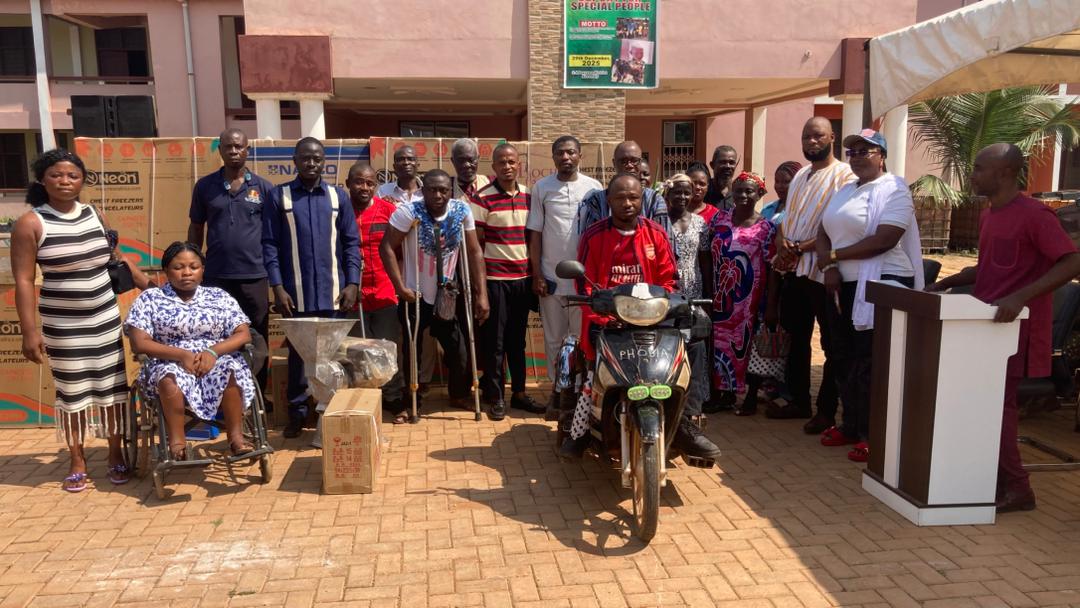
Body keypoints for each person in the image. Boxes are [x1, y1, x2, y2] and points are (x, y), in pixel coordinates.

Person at [927, 143, 1080, 513]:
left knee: (999, 408)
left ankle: (1018, 487)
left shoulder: (1035, 215)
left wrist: (1020, 297)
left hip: (1014, 331)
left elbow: (1072, 261)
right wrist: (948, 281)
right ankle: (990, 477)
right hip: (983, 327)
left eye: (980, 168)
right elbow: (991, 267)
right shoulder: (988, 214)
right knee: (983, 406)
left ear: (1006, 173)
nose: (972, 176)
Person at [11, 149, 155, 491]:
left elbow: (116, 257)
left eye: (72, 175)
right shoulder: (31, 223)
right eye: (56, 175)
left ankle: (115, 453)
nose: (65, 181)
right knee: (73, 394)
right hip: (63, 326)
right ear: (42, 180)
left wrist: (150, 287)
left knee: (113, 389)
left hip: (105, 319)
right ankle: (77, 459)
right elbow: (24, 280)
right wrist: (29, 332)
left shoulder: (95, 214)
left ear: (82, 181)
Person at [561, 174, 721, 461]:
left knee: (694, 344)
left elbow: (669, 280)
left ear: (641, 199)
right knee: (590, 367)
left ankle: (685, 422)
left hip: (652, 319)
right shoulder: (594, 236)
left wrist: (668, 305)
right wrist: (601, 311)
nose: (627, 203)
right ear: (609, 200)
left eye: (633, 197)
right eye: (620, 197)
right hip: (608, 321)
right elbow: (585, 286)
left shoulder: (655, 233)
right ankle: (581, 428)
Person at [815, 130, 923, 462]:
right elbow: (822, 230)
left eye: (866, 151)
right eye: (853, 152)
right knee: (842, 356)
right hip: (842, 286)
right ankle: (851, 425)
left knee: (870, 362)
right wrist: (829, 265)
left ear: (882, 156)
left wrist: (834, 257)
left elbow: (884, 240)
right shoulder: (846, 190)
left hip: (881, 285)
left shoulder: (895, 190)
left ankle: (872, 434)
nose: (858, 157)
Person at [263, 137, 361, 439]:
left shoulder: (337, 197)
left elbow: (351, 243)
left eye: (317, 158)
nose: (311, 163)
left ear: (324, 162)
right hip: (295, 294)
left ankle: (330, 412)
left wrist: (352, 282)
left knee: (333, 356)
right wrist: (277, 286)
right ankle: (297, 413)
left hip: (334, 292)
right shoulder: (279, 196)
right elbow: (270, 245)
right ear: (295, 160)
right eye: (305, 158)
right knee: (298, 355)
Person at [125, 242, 257, 460]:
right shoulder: (150, 299)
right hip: (168, 361)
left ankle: (236, 438)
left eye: (193, 267)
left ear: (202, 270)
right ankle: (177, 444)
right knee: (168, 377)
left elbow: (243, 334)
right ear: (166, 271)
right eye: (178, 267)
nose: (187, 272)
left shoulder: (219, 296)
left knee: (230, 369)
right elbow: (139, 343)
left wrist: (213, 352)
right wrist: (181, 355)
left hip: (215, 358)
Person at [380, 170, 490, 421]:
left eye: (443, 190)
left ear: (450, 191)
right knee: (412, 353)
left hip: (446, 297)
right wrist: (400, 288)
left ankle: (458, 394)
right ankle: (412, 402)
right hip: (415, 295)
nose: (438, 195)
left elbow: (474, 252)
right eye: (432, 190)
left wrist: (481, 293)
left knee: (460, 352)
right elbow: (386, 247)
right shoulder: (409, 211)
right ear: (423, 190)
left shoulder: (461, 210)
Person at [768, 118, 855, 432]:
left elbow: (835, 223)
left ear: (832, 137)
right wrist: (783, 243)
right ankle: (798, 400)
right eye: (806, 136)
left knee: (832, 343)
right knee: (796, 338)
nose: (811, 141)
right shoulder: (801, 175)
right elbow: (787, 218)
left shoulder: (845, 175)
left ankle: (827, 410)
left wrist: (801, 247)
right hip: (793, 269)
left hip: (822, 270)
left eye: (818, 136)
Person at [187, 128, 274, 391]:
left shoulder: (263, 188)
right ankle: (220, 393)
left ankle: (257, 394)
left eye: (239, 146)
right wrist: (194, 262)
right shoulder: (205, 187)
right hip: (217, 276)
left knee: (257, 336)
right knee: (216, 334)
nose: (234, 151)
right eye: (228, 147)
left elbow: (272, 234)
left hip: (254, 276)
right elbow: (196, 226)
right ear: (221, 151)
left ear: (248, 150)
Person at [527, 135, 602, 418]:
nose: (566, 157)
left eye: (571, 152)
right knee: (554, 340)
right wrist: (537, 274)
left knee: (582, 340)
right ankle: (557, 393)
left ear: (580, 155)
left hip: (584, 281)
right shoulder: (542, 188)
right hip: (551, 278)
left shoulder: (594, 188)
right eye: (560, 153)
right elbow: (535, 233)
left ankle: (579, 393)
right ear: (553, 157)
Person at [470, 144, 542, 420]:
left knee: (517, 342)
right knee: (495, 343)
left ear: (518, 165)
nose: (507, 166)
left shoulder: (529, 197)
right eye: (502, 162)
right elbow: (476, 247)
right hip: (495, 281)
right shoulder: (482, 199)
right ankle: (496, 397)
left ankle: (520, 393)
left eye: (511, 162)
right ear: (494, 167)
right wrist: (481, 290)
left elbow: (533, 239)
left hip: (522, 281)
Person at [700, 172, 777, 411]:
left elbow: (773, 268)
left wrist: (771, 305)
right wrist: (708, 289)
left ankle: (750, 395)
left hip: (749, 301)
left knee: (748, 346)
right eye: (738, 190)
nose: (743, 195)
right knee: (719, 343)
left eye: (749, 191)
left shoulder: (766, 228)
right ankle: (723, 394)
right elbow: (706, 254)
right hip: (721, 296)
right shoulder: (719, 219)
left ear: (760, 194)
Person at [344, 162, 406, 419]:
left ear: (376, 186)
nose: (364, 187)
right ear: (348, 184)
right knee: (357, 351)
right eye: (359, 182)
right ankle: (364, 399)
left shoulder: (388, 211)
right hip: (351, 293)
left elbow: (400, 251)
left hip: (383, 291)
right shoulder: (340, 211)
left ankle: (393, 398)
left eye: (370, 183)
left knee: (387, 348)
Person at [577, 141, 670, 239]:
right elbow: (591, 239)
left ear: (640, 162)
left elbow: (665, 238)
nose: (629, 165)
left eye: (634, 160)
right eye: (623, 161)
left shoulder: (654, 200)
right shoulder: (597, 201)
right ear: (614, 163)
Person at [704, 145, 739, 210]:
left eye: (731, 163)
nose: (728, 166)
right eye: (723, 162)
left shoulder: (739, 193)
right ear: (712, 165)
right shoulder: (703, 191)